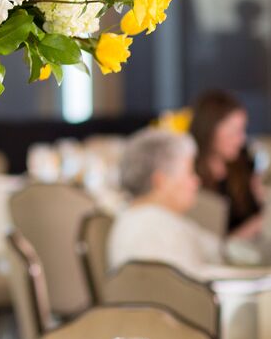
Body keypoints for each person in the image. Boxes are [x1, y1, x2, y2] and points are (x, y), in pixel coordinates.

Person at [107, 128, 223, 276]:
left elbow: (214, 248)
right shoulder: (156, 229)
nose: (196, 181)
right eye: (189, 173)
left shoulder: (143, 218)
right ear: (161, 182)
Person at [190, 89, 263, 238]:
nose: (241, 139)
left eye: (243, 130)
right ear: (210, 130)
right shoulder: (190, 172)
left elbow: (258, 208)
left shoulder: (244, 162)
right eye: (234, 132)